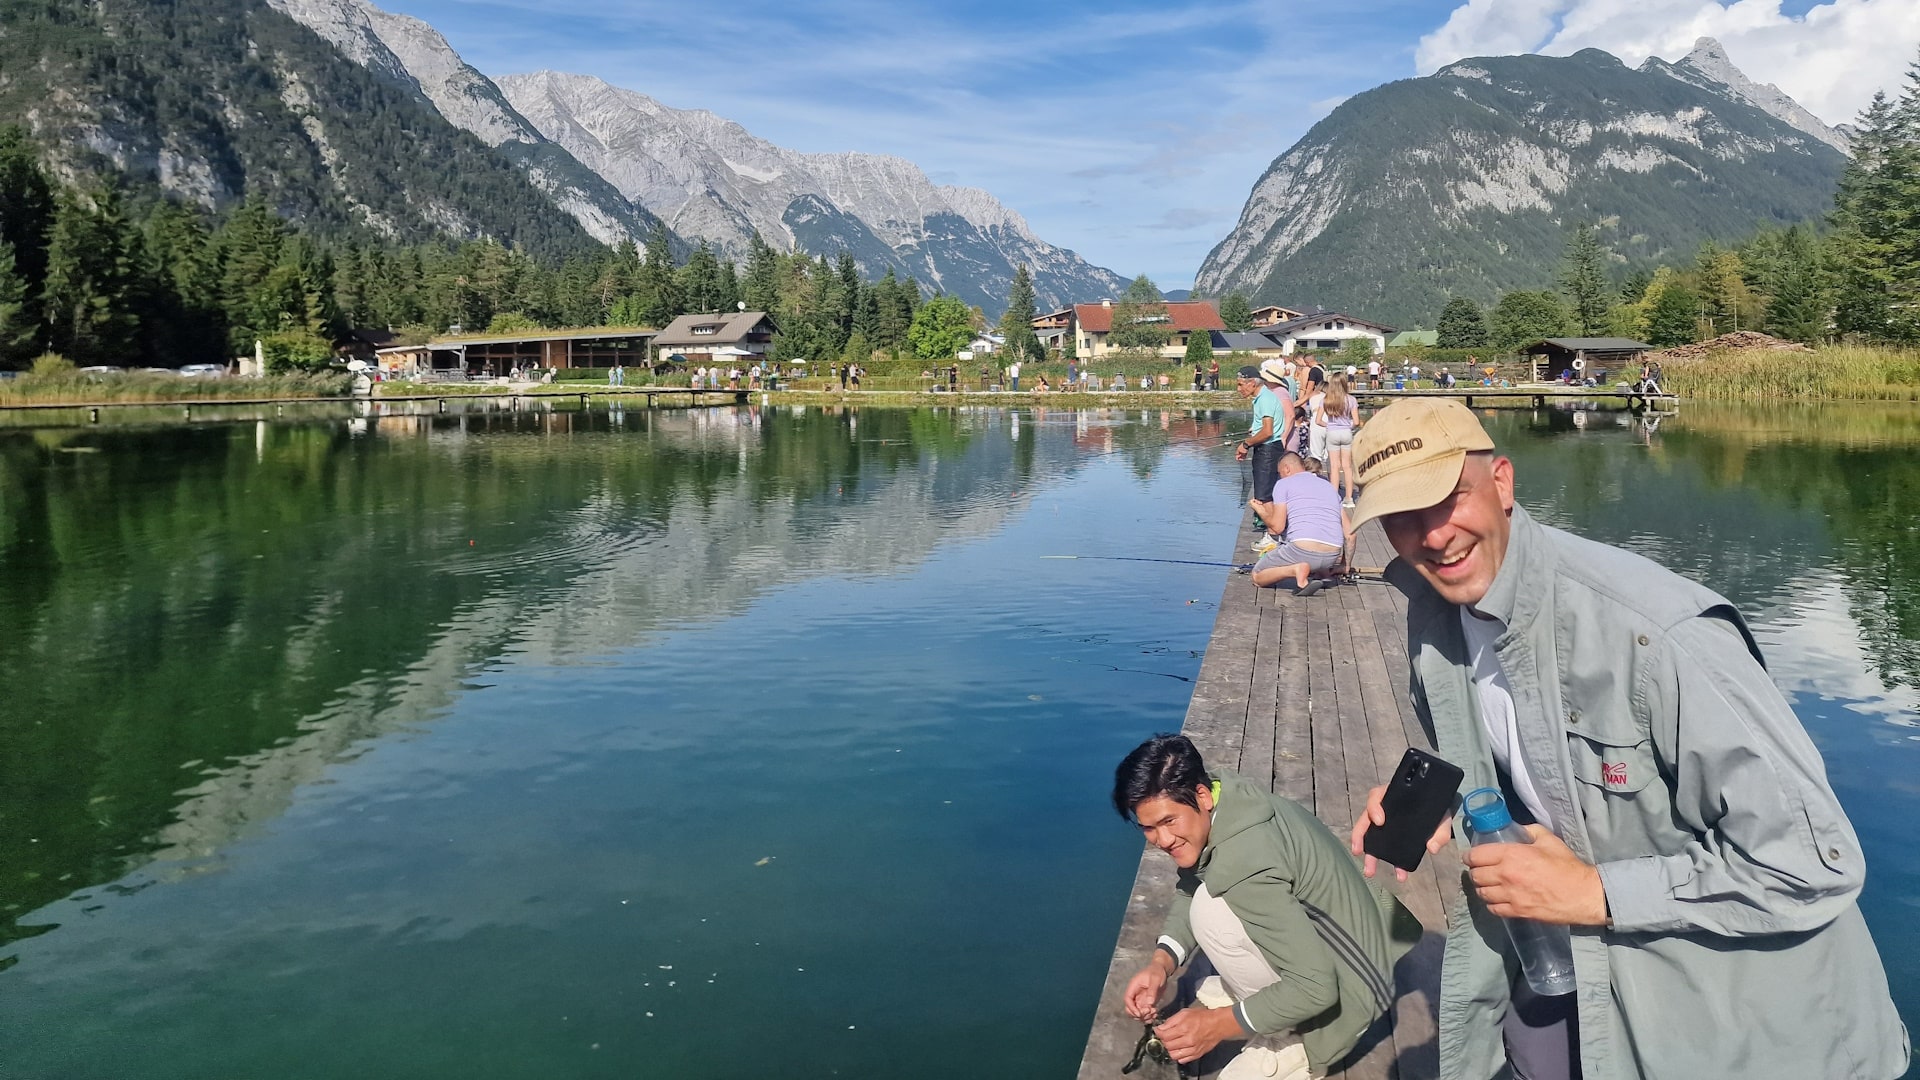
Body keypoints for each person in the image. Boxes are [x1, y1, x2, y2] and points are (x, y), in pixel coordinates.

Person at [1344, 399, 1909, 1080]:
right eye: (1402, 517)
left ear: (1502, 482)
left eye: (1448, 499)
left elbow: (1812, 863)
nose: (1432, 536)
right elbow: (1523, 758)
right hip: (1572, 969)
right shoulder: (1436, 612)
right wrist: (1444, 798)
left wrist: (1596, 893)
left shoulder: (1659, 635)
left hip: (1737, 1026)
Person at [1114, 734, 1418, 1078]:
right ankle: (1259, 996)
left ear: (1200, 795)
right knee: (1206, 901)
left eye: (1169, 822)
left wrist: (1215, 1026)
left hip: (1351, 993)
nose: (1162, 840)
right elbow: (1191, 885)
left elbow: (1316, 987)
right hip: (1366, 941)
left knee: (1213, 911)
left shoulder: (1246, 861)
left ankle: (1293, 1038)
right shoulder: (1224, 792)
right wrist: (1160, 964)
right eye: (1148, 828)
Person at [1250, 453, 1352, 590]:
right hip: (1331, 555)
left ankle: (1295, 570)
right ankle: (1322, 571)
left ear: (1286, 469)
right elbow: (1351, 534)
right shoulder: (1328, 487)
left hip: (1301, 550)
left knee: (1257, 576)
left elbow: (1277, 528)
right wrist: (1345, 565)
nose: (1280, 476)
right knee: (1313, 555)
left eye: (1280, 473)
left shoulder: (1283, 484)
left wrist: (1260, 510)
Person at [1235, 362, 1288, 523]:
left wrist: (1245, 444)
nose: (1238, 389)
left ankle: (1272, 533)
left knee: (1264, 496)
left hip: (1268, 450)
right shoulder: (1263, 397)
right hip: (1268, 448)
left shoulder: (1265, 399)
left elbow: (1267, 431)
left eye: (1240, 384)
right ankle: (1272, 530)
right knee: (1265, 492)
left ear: (1252, 383)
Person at [1315, 374, 1363, 508]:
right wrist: (1348, 426)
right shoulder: (1351, 399)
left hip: (1332, 433)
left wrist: (1329, 425)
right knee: (1347, 467)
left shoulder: (1326, 400)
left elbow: (1318, 420)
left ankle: (1334, 497)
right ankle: (1349, 498)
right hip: (1346, 433)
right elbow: (1357, 421)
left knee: (1334, 466)